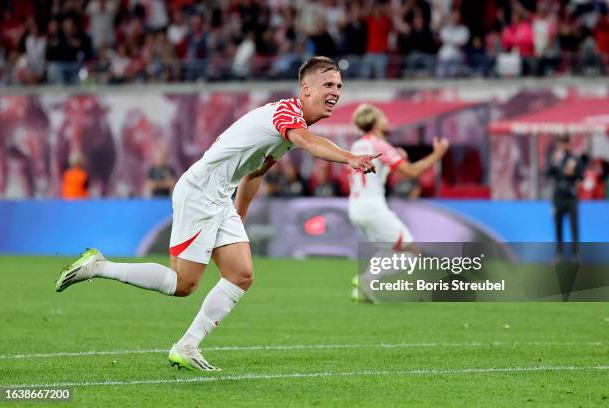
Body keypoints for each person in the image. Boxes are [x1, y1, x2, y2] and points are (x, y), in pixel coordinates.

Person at [55, 56, 379, 371]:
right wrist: (349, 157)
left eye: (339, 84)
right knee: (182, 285)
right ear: (306, 89)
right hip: (200, 193)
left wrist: (239, 215)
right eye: (327, 84)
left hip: (220, 199)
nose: (336, 91)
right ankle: (98, 266)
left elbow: (254, 174)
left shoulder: (291, 128)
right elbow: (308, 143)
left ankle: (187, 346)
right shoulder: (286, 113)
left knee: (241, 275)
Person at [347, 104, 449, 302]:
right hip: (373, 207)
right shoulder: (380, 145)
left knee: (389, 249)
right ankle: (366, 279)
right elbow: (412, 172)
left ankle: (362, 291)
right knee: (412, 253)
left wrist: (393, 158)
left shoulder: (357, 146)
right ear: (375, 122)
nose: (386, 120)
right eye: (382, 117)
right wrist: (438, 154)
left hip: (356, 206)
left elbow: (373, 172)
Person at [547, 134, 585, 263]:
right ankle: (559, 253)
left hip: (571, 197)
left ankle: (575, 254)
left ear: (569, 144)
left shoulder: (574, 158)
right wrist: (554, 163)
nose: (564, 145)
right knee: (558, 225)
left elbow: (581, 176)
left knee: (574, 225)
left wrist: (573, 173)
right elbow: (548, 174)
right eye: (561, 142)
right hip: (558, 197)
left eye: (566, 142)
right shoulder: (555, 158)